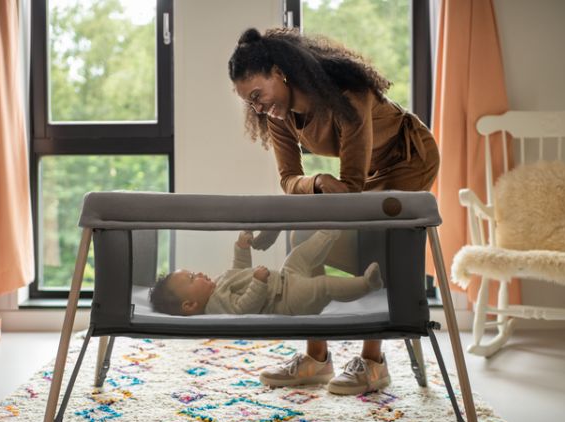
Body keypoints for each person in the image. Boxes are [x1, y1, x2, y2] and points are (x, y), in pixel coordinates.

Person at [227, 27, 440, 395]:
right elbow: (289, 179)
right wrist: (317, 182)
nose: (258, 107)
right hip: (361, 180)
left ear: (279, 72)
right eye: (251, 103)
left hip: (408, 159)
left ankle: (373, 362)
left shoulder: (347, 94)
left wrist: (322, 188)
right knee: (303, 235)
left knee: (378, 231)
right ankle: (317, 357)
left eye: (258, 95)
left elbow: (353, 189)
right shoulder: (278, 117)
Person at [150, 229, 382, 318]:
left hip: (285, 278)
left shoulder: (218, 284)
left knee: (299, 254)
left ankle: (330, 229)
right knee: (323, 286)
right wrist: (259, 283)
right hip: (287, 300)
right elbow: (244, 307)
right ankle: (366, 284)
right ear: (190, 305)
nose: (199, 273)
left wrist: (241, 248)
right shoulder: (216, 305)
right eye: (192, 278)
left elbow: (239, 270)